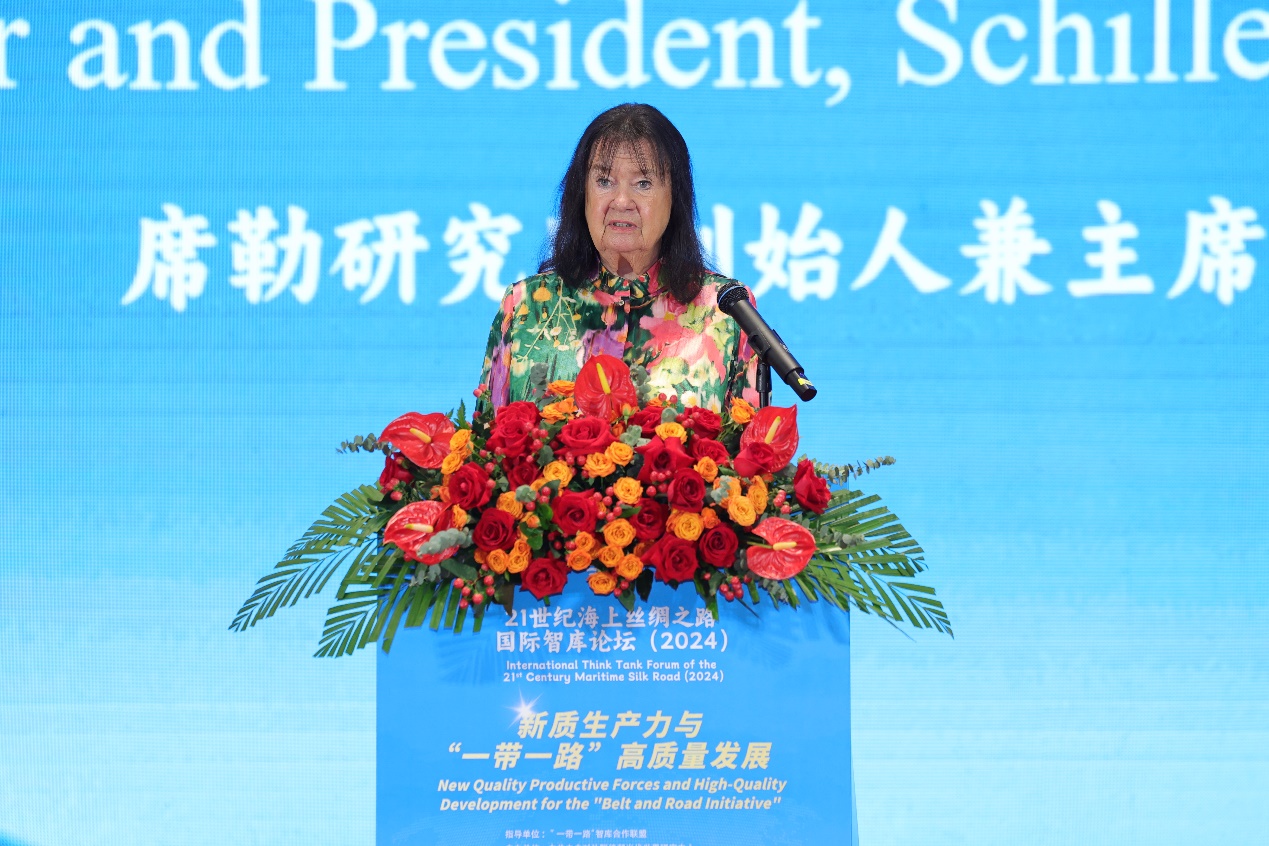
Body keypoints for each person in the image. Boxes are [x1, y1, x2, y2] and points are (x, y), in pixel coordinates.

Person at [476, 103, 759, 414]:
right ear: (582, 194)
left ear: (675, 197)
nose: (622, 201)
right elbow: (487, 439)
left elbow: (748, 441)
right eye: (604, 181)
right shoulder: (525, 306)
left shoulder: (725, 311)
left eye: (643, 183)